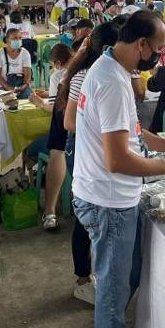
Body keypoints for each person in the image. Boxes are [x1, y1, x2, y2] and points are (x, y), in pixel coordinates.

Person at [73, 11, 165, 328]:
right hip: (108, 201)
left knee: (126, 278)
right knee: (112, 293)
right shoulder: (113, 83)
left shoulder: (109, 69)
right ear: (141, 45)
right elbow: (117, 159)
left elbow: (134, 133)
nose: (160, 58)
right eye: (159, 49)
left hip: (111, 196)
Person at [57, 23, 120, 291]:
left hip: (96, 147)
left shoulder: (115, 73)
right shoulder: (85, 76)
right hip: (82, 148)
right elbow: (70, 123)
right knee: (86, 215)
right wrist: (104, 133)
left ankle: (102, 275)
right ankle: (83, 277)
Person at [25, 43, 74, 230]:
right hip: (82, 129)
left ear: (58, 62)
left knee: (53, 151)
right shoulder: (88, 70)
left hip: (64, 129)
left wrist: (38, 102)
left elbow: (56, 108)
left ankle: (50, 210)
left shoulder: (58, 76)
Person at [0, 28, 33, 99]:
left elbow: (27, 75)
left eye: (20, 38)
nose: (18, 40)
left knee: (28, 97)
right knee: (4, 101)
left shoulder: (25, 53)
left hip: (21, 86)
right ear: (7, 39)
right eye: (14, 38)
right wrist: (9, 89)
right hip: (3, 87)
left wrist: (23, 86)